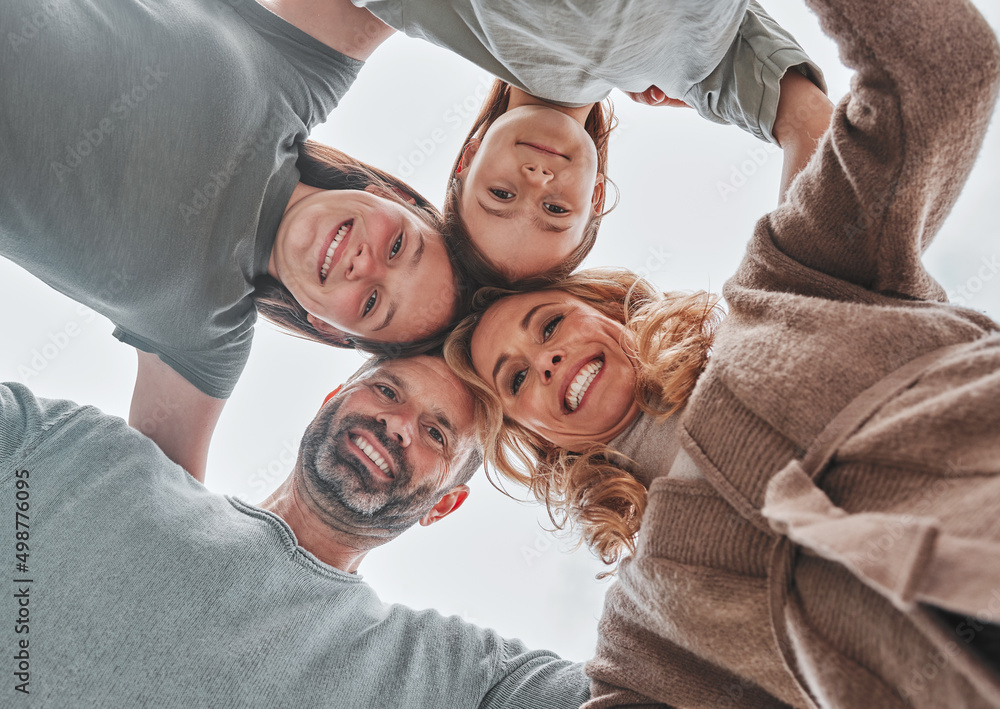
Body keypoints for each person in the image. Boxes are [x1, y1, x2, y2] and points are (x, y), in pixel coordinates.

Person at [444, 0, 1000, 702]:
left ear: (608, 311)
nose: (546, 359)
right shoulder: (644, 633)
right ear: (536, 436)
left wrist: (737, 67)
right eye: (517, 376)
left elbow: (944, 69)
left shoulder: (792, 281)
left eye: (550, 325)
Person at [0, 0, 464, 482]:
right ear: (393, 197)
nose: (365, 265)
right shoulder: (301, 68)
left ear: (326, 328)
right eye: (398, 248)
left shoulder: (207, 335)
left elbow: (155, 500)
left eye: (371, 302)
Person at [0, 354, 589, 707]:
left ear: (443, 506)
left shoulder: (446, 676)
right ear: (331, 398)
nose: (397, 424)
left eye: (436, 434)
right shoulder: (84, 451)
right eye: (387, 390)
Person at [350, 0, 834, 283]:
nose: (537, 182)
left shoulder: (436, 13)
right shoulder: (699, 71)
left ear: (469, 159)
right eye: (556, 211)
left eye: (501, 195)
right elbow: (814, 130)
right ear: (596, 195)